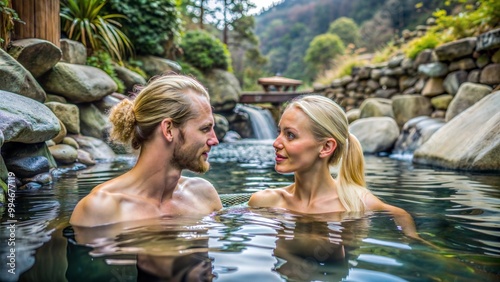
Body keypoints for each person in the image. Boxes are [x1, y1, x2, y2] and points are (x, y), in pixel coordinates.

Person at [248, 95, 420, 239]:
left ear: (326, 147)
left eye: (290, 135)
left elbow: (400, 215)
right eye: (279, 132)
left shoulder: (357, 202)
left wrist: (412, 238)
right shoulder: (264, 201)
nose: (276, 143)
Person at [70, 74, 222, 227]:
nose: (214, 140)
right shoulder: (102, 209)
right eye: (205, 129)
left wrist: (247, 209)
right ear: (168, 129)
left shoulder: (203, 194)